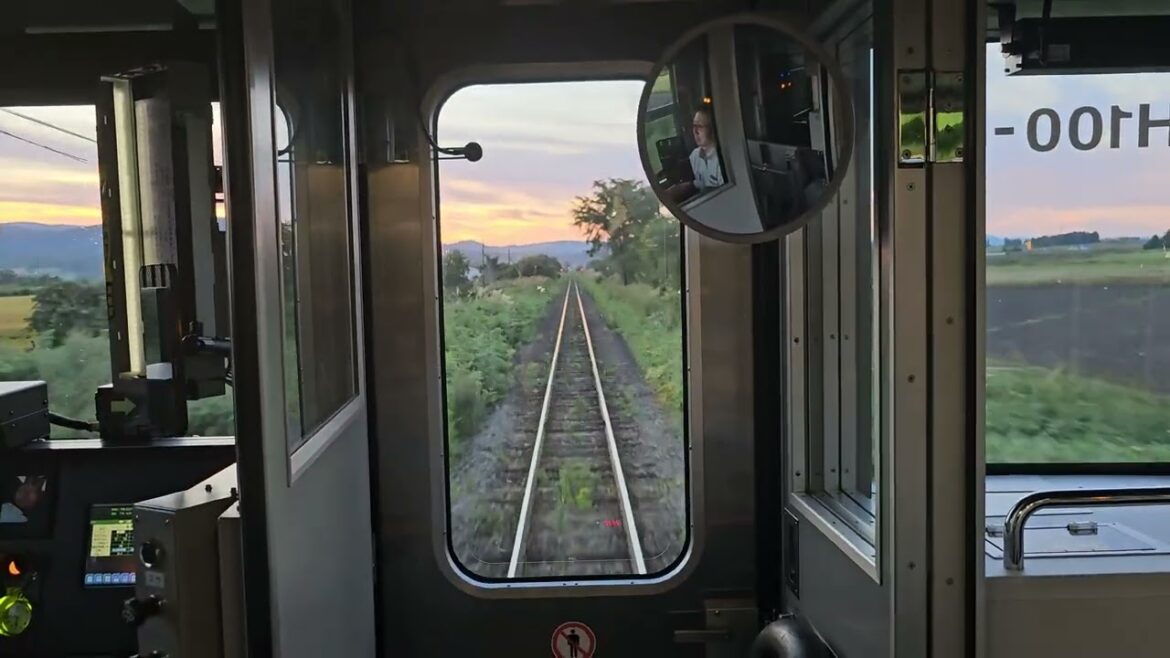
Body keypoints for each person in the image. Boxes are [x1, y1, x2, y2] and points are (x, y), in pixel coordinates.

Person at [666, 105, 726, 202]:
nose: (695, 131)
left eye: (700, 126)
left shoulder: (722, 158)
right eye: (694, 126)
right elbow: (699, 183)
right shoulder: (694, 156)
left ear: (712, 128)